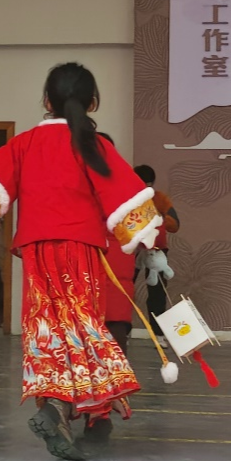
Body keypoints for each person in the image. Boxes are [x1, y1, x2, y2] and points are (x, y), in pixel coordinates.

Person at [0, 62, 161, 461]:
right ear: (93, 103)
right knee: (83, 327)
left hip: (38, 253)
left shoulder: (25, 143)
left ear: (46, 101)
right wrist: (149, 241)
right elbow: (127, 200)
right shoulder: (94, 146)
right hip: (80, 250)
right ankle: (69, 409)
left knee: (48, 330)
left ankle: (56, 405)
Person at [96, 133, 136, 360]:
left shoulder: (72, 183)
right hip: (119, 269)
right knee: (116, 343)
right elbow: (151, 231)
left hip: (86, 268)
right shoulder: (127, 182)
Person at [134, 165, 180, 336]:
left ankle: (158, 334)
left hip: (156, 251)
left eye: (147, 185)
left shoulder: (159, 198)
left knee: (157, 294)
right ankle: (122, 332)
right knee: (124, 290)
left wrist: (156, 218)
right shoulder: (126, 199)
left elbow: (175, 225)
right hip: (132, 250)